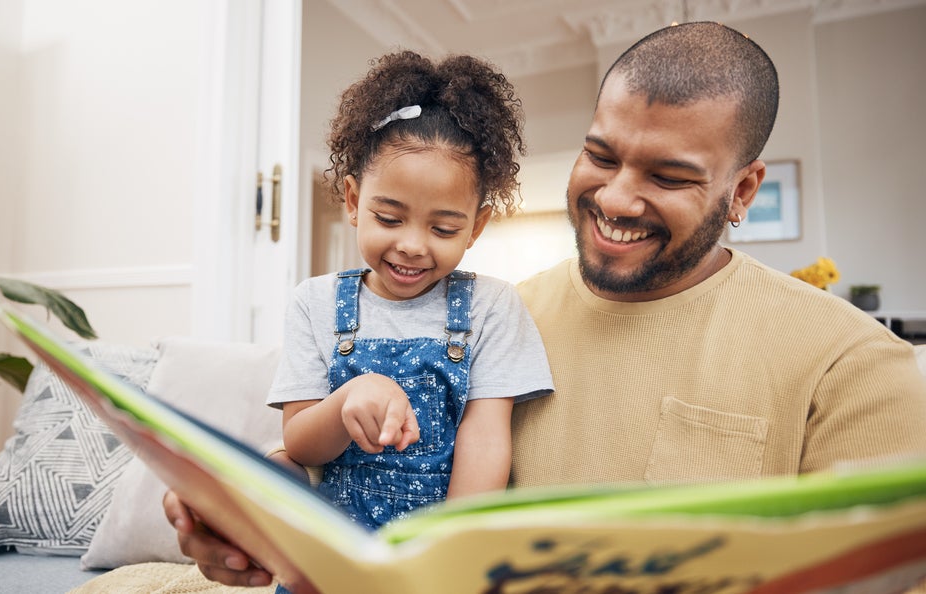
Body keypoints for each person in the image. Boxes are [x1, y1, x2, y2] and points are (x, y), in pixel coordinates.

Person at [163, 22, 926, 593]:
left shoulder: (854, 365)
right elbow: (343, 460)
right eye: (600, 155)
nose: (617, 196)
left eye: (668, 174)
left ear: (744, 192)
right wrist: (240, 508)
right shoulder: (497, 317)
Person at [265, 49, 553, 555]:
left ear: (476, 227)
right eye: (391, 219)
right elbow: (302, 443)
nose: (413, 245)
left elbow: (485, 441)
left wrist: (447, 554)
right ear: (354, 202)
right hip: (335, 552)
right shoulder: (315, 302)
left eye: (443, 228)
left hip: (435, 552)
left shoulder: (492, 307)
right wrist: (350, 399)